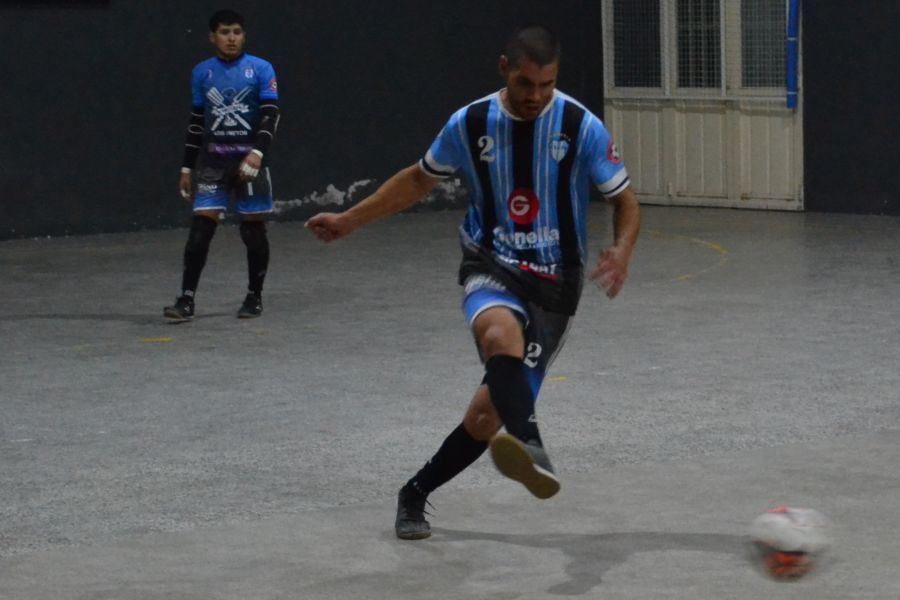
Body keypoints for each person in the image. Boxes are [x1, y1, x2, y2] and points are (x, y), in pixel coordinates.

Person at [306, 25, 640, 540]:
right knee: (498, 337)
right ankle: (531, 442)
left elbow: (624, 199)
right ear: (504, 68)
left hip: (556, 283)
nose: (535, 96)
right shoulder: (471, 122)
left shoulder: (579, 124)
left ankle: (414, 493)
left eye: (546, 85)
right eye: (526, 83)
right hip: (493, 261)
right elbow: (419, 179)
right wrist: (351, 220)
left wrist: (621, 250)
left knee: (486, 418)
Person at [164, 9, 280, 322]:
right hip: (213, 162)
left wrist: (257, 153)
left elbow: (271, 115)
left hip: (249, 163)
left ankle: (254, 296)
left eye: (237, 32)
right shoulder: (202, 73)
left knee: (253, 232)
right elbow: (197, 123)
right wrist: (187, 168)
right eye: (225, 32)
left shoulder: (261, 69)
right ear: (212, 37)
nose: (232, 38)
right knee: (200, 232)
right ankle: (186, 300)